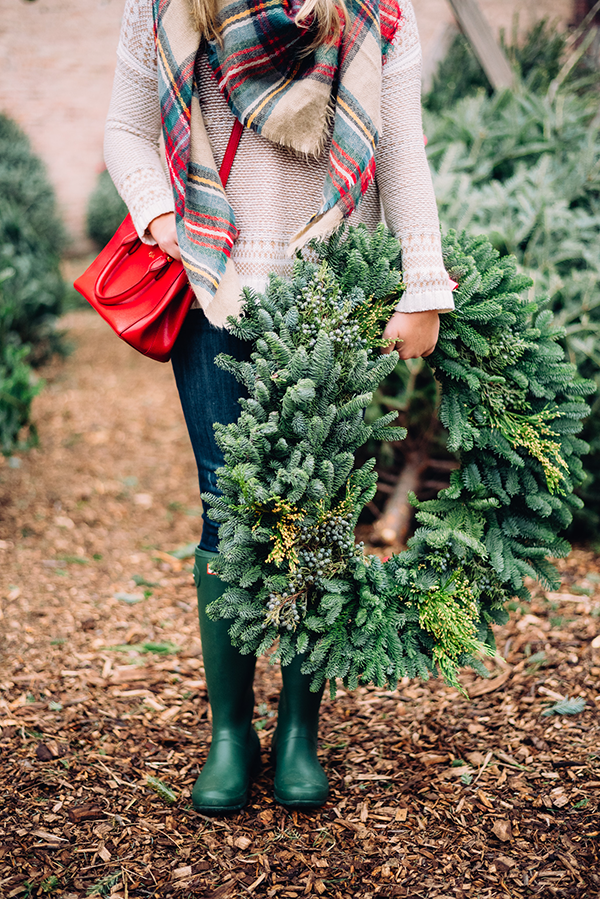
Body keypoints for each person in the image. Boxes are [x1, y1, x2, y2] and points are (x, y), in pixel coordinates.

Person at [104, 0, 454, 813]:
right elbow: (126, 129)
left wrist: (423, 285)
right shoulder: (160, 6)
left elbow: (401, 148)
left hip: (330, 291)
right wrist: (161, 211)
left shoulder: (374, 13)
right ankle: (232, 732)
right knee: (226, 509)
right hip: (209, 287)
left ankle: (300, 728)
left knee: (321, 512)